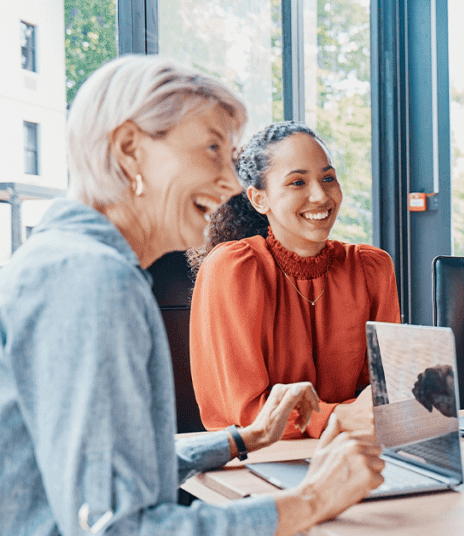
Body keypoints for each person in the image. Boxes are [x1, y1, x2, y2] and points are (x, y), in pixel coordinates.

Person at [0, 56, 384, 536]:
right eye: (210, 150)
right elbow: (118, 528)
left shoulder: (66, 260)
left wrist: (243, 439)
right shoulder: (93, 278)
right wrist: (310, 500)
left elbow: (103, 470)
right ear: (129, 149)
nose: (229, 184)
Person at [188, 121, 401, 439]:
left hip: (350, 448)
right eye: (297, 182)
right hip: (255, 458)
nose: (320, 195)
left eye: (328, 178)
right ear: (260, 199)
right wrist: (338, 417)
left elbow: (385, 389)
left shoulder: (372, 267)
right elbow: (246, 412)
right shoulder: (234, 268)